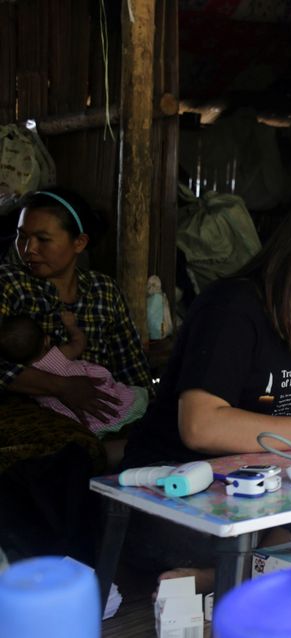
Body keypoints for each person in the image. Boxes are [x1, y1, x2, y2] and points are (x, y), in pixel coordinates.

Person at [122, 187, 291, 590]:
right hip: (187, 484)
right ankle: (253, 564)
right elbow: (201, 426)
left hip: (268, 483)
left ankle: (234, 573)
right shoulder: (232, 307)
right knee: (181, 537)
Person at [0, 189, 151, 474]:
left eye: (42, 239)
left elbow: (131, 367)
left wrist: (144, 409)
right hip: (29, 411)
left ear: (79, 243)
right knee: (73, 452)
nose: (28, 249)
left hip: (106, 409)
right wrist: (62, 386)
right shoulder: (8, 284)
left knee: (157, 436)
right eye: (22, 236)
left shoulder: (103, 290)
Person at [0, 311, 148, 437]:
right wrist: (71, 326)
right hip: (97, 395)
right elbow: (79, 342)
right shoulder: (59, 353)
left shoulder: (28, 379)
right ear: (46, 340)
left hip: (85, 425)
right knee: (128, 398)